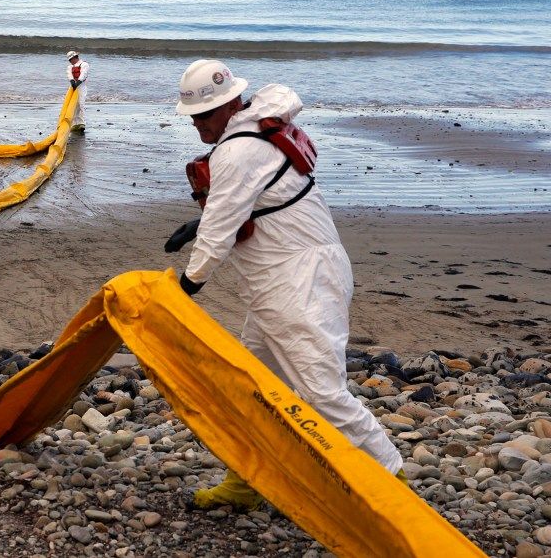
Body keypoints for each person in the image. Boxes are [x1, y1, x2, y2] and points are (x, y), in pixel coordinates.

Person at [166, 59, 404, 511]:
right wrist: (199, 224)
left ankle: (396, 487)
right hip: (287, 280)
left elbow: (220, 230)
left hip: (299, 284)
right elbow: (250, 205)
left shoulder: (236, 151)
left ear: (230, 104)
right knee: (254, 385)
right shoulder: (254, 132)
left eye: (203, 115)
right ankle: (247, 479)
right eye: (192, 117)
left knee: (322, 394)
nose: (197, 125)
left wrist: (186, 287)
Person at [66, 50, 89, 134]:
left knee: (81, 104)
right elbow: (69, 74)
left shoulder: (84, 64)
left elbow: (84, 74)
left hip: (81, 86)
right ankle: (74, 124)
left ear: (74, 58)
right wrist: (72, 81)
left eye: (70, 59)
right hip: (72, 87)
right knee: (73, 105)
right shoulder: (70, 67)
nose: (70, 61)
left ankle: (81, 123)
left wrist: (78, 82)